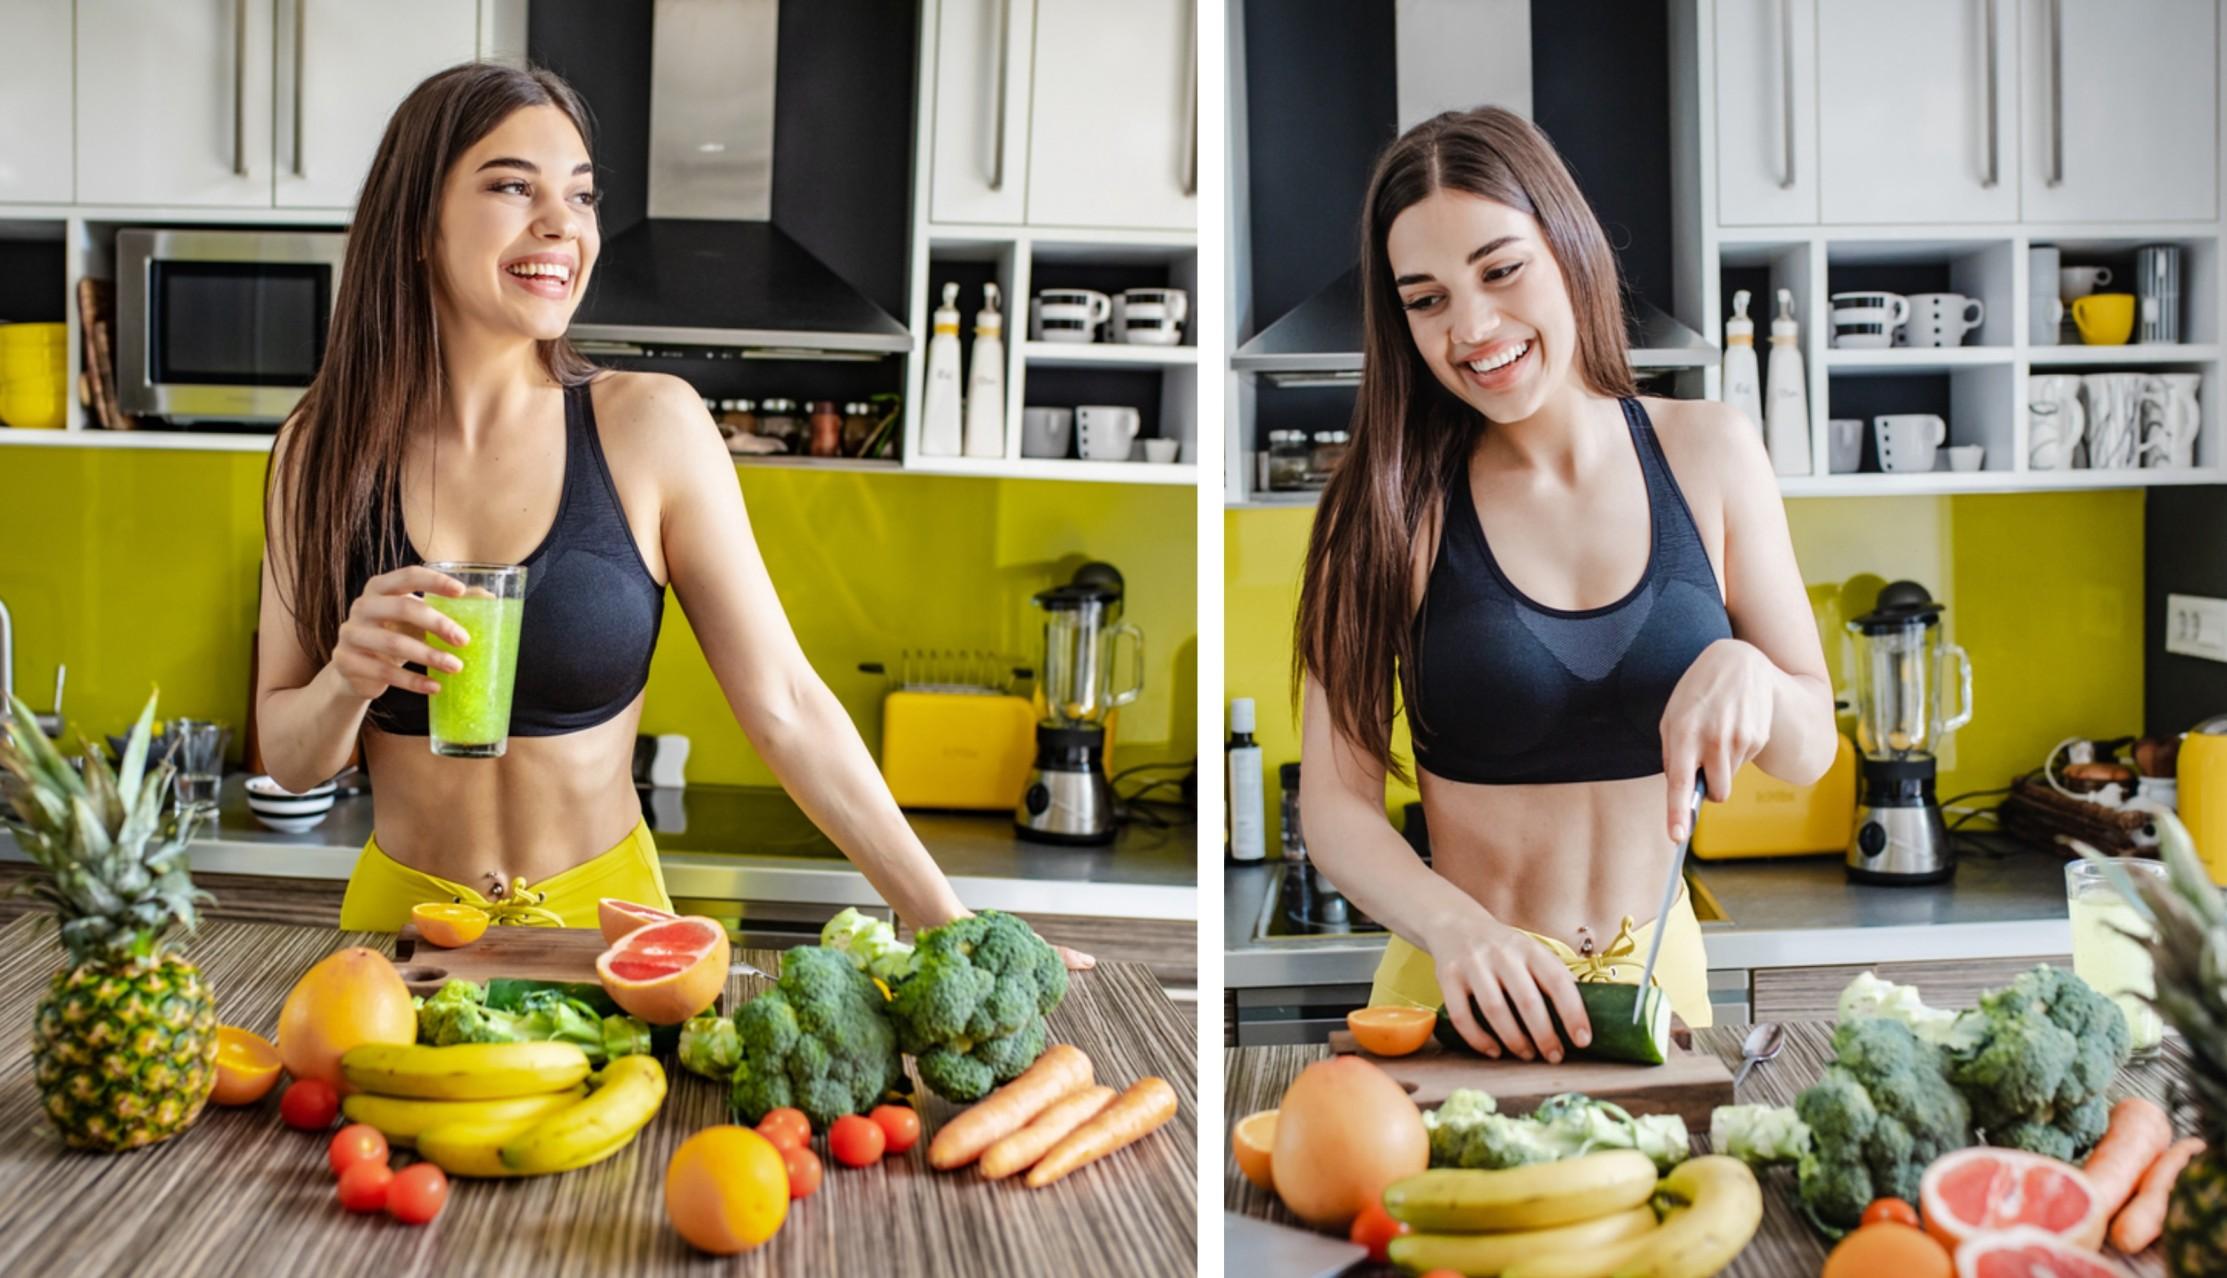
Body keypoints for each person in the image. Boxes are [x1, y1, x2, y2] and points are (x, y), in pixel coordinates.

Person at [255, 63, 1088, 967]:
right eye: (511, 187)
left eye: (579, 196)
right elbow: (291, 757)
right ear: (418, 224)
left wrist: (942, 918)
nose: (560, 225)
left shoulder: (648, 426)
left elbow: (785, 705)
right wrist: (347, 676)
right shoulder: (320, 450)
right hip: (398, 937)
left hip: (606, 936)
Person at [1295, 107, 1833, 1062]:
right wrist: (1460, 932)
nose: (1472, 327)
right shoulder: (1380, 510)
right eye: (1425, 299)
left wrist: (1752, 671)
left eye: (1500, 271)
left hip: (1657, 996)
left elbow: (1808, 748)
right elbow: (1335, 807)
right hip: (1459, 1000)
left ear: (1568, 246)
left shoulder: (1711, 453)